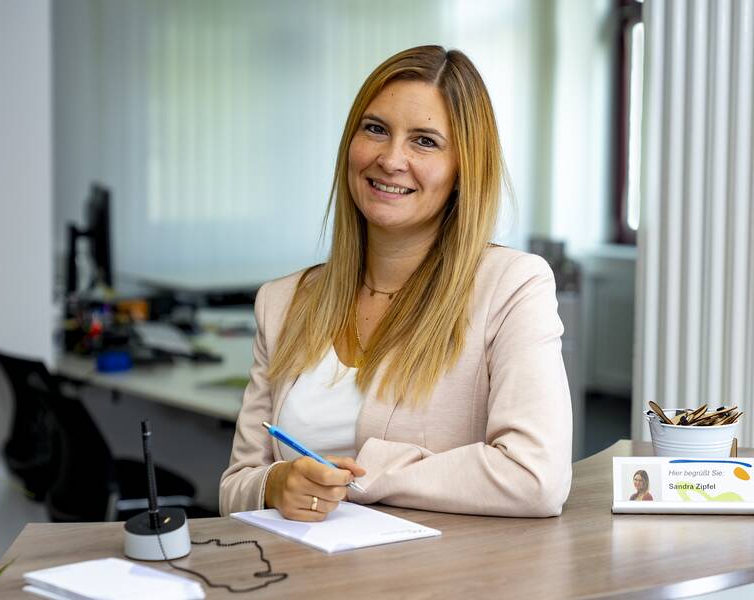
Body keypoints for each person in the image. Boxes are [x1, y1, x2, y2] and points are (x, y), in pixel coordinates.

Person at [220, 45, 572, 521]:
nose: (390, 159)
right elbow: (235, 487)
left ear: (463, 171)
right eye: (376, 129)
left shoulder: (511, 287)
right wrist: (276, 483)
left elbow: (536, 478)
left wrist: (365, 475)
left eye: (425, 141)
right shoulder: (281, 302)